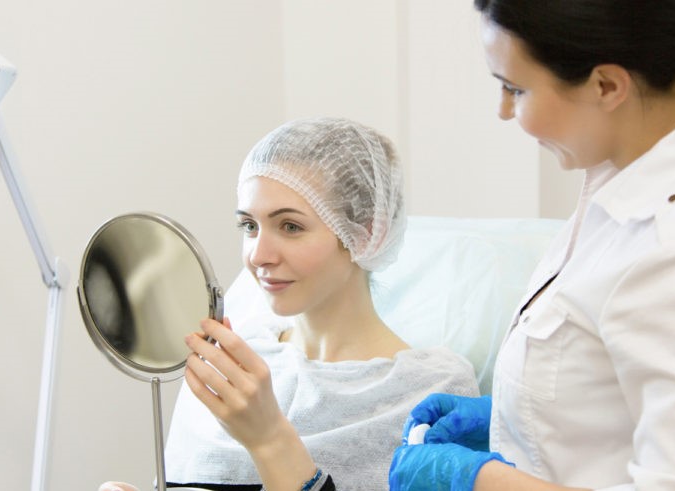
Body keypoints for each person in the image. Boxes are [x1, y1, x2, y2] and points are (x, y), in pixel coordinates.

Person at [390, 2, 675, 490]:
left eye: (515, 89)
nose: (503, 111)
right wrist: (516, 413)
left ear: (607, 86)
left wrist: (480, 481)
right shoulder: (626, 177)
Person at [99, 117, 479, 491]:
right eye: (249, 226)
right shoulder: (235, 366)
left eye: (290, 227)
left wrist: (269, 439)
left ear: (367, 233)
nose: (258, 255)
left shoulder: (432, 392)